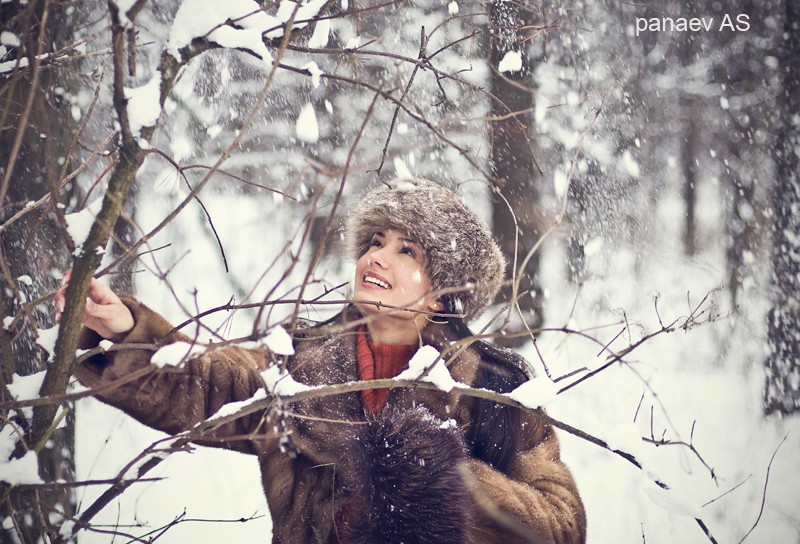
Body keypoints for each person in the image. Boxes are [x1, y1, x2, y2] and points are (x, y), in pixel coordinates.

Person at [58, 178, 586, 544]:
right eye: (375, 242)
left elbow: (562, 524)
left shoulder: (495, 388)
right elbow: (207, 386)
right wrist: (125, 330)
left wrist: (450, 483)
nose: (376, 257)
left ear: (442, 295)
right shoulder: (300, 363)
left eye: (407, 252)